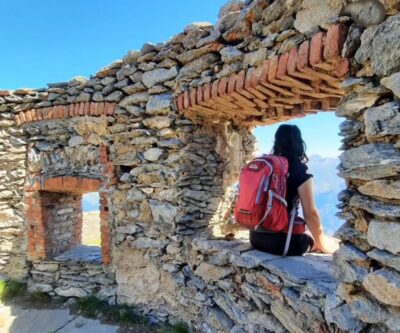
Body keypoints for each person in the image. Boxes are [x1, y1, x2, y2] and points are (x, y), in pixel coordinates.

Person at [249, 124, 339, 256]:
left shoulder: (266, 166)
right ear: (299, 142)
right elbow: (311, 214)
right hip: (283, 243)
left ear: (276, 141)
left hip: (255, 238)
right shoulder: (299, 169)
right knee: (308, 239)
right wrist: (320, 244)